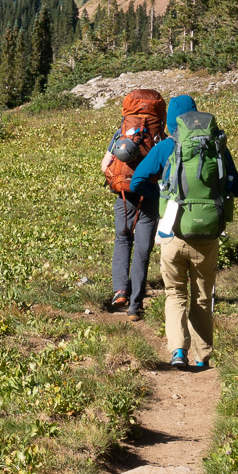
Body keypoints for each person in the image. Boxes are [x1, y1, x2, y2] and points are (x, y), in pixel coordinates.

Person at [129, 95, 238, 370]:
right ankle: (203, 358)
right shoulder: (218, 147)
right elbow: (236, 186)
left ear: (172, 122)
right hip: (208, 235)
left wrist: (163, 201)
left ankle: (178, 351)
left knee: (175, 294)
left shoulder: (167, 146)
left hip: (173, 233)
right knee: (202, 297)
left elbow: (137, 181)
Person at [100, 89, 166, 322]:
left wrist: (115, 180)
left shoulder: (121, 132)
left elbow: (104, 164)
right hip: (149, 196)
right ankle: (135, 306)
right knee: (142, 249)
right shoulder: (161, 137)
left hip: (124, 195)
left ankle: (120, 291)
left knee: (122, 239)